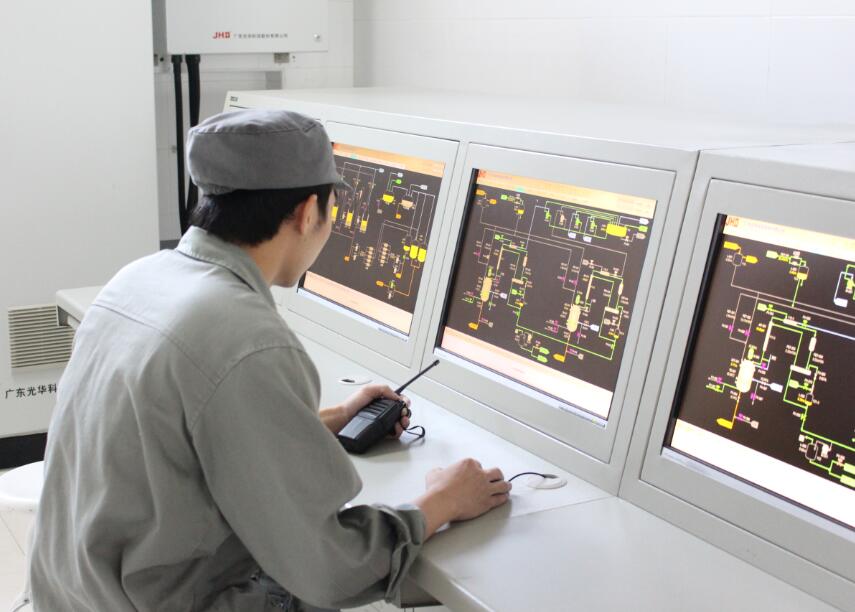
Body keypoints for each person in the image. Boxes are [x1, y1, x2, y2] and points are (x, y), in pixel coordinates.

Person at [28, 109, 511, 611]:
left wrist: (334, 417)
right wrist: (441, 501)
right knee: (412, 578)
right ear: (306, 212)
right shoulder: (248, 339)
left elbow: (193, 437)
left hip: (73, 595)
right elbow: (330, 567)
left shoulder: (139, 278)